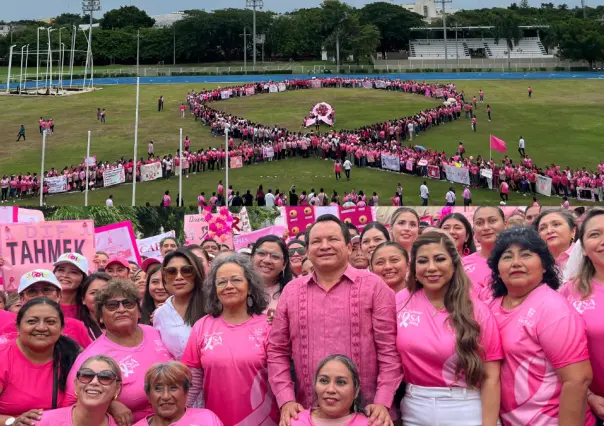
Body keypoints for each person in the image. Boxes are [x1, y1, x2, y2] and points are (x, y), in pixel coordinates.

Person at [267, 214, 403, 426]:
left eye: (332, 239)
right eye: (316, 242)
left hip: (369, 415)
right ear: (308, 250)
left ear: (349, 247)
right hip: (307, 415)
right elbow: (277, 351)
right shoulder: (292, 291)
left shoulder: (375, 287)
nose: (324, 246)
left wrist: (383, 402)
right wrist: (286, 400)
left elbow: (389, 350)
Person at [485, 227, 594, 425]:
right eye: (507, 257)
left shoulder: (552, 309)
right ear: (497, 269)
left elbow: (577, 380)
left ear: (544, 266)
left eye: (526, 255)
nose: (516, 263)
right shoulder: (491, 304)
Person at [396, 232, 502, 425]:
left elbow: (491, 377)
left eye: (440, 259)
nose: (431, 268)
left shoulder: (476, 310)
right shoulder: (400, 301)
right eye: (422, 261)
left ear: (454, 264)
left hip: (465, 409)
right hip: (414, 408)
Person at [181, 254, 279, 425]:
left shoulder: (268, 326)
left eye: (236, 280)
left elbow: (280, 376)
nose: (229, 286)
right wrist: (179, 416)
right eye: (221, 282)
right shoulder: (201, 327)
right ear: (214, 290)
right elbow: (193, 381)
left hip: (264, 420)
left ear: (250, 287)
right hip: (216, 420)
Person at [63, 279, 174, 424]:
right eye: (112, 306)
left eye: (127, 303)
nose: (121, 309)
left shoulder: (155, 332)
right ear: (101, 317)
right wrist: (110, 404)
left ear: (138, 311)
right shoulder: (93, 356)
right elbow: (71, 399)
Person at [0, 299, 80, 425]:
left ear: (62, 328)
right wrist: (11, 421)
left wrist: (113, 404)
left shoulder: (75, 357)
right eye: (32, 321)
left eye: (50, 322)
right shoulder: (3, 358)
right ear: (17, 326)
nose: (41, 327)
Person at [559, 208, 604, 425]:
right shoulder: (569, 291)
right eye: (595, 235)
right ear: (583, 248)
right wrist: (588, 397)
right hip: (593, 409)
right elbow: (556, 353)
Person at [0, 269, 92, 349]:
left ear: (59, 295)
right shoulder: (8, 330)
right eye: (32, 291)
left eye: (47, 290)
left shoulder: (77, 326)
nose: (41, 296)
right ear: (21, 298)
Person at [36, 355, 123, 426]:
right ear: (76, 384)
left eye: (105, 377)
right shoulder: (43, 422)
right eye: (87, 375)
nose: (94, 382)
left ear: (117, 388)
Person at [153, 248, 207, 360]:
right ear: (164, 276)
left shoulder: (213, 305)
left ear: (196, 273)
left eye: (186, 270)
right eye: (171, 272)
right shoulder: (160, 315)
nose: (179, 277)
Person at [133, 362, 223, 426]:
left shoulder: (206, 419)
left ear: (186, 392)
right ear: (149, 395)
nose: (165, 396)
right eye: (158, 389)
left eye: (173, 388)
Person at [290, 355, 370, 426]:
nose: (330, 389)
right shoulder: (294, 421)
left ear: (356, 391)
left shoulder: (371, 423)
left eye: (341, 382)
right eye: (324, 381)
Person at [463, 207, 506, 294]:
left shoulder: (517, 261)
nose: (486, 227)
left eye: (492, 221)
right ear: (474, 229)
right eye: (479, 223)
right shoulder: (462, 265)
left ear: (505, 224)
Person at [251, 235, 293, 316]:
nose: (267, 260)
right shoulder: (240, 290)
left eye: (275, 256)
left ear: (284, 264)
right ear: (252, 257)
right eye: (261, 253)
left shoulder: (293, 293)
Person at [534, 209, 577, 274]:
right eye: (542, 228)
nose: (549, 231)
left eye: (556, 224)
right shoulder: (537, 261)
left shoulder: (585, 254)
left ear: (573, 231)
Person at [53, 252, 89, 319]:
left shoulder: (89, 306)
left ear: (83, 279)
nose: (65, 275)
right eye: (61, 270)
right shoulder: (42, 303)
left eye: (73, 272)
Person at [81, 272, 112, 340]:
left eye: (105, 291)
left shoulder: (124, 324)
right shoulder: (78, 329)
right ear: (83, 299)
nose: (100, 296)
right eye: (93, 293)